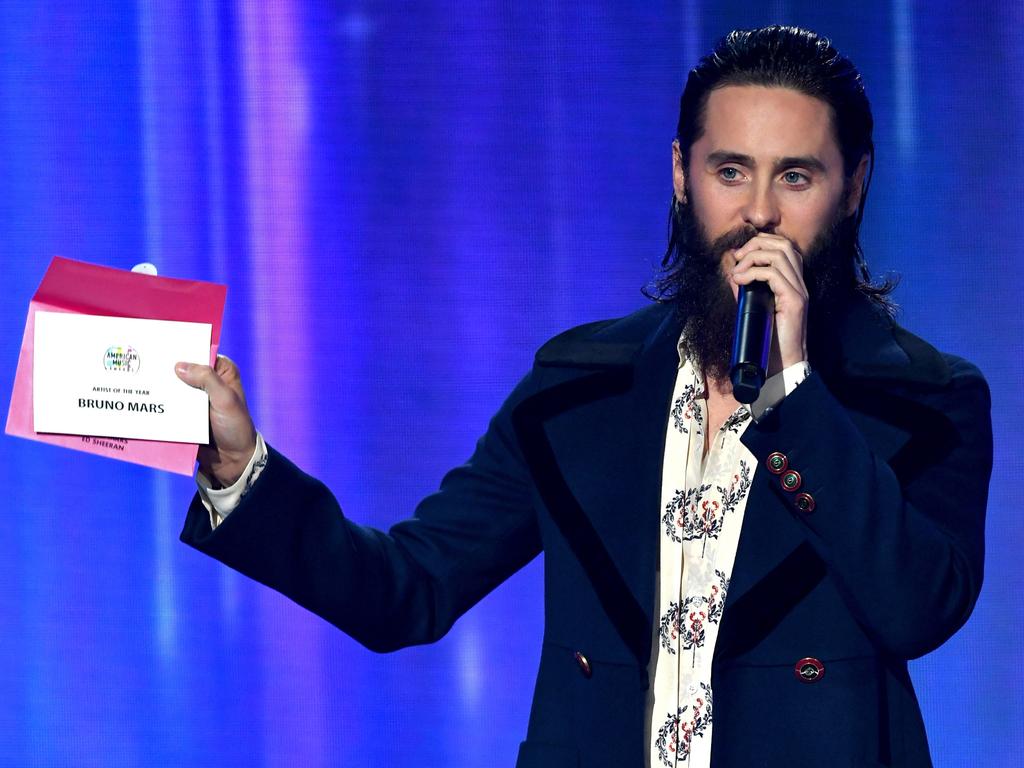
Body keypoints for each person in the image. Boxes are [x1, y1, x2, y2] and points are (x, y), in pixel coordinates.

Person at [174, 25, 992, 768]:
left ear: (854, 187)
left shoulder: (925, 400)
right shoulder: (578, 389)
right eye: (730, 171)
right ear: (682, 175)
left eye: (798, 176)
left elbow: (919, 610)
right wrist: (243, 469)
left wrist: (790, 396)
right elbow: (408, 590)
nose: (759, 214)